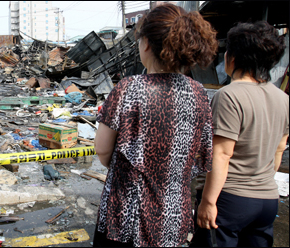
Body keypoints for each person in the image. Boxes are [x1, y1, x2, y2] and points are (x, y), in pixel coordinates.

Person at [93, 3, 218, 247]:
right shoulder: (199, 93)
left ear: (147, 43)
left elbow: (103, 150)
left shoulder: (128, 88)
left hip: (126, 217)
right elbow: (203, 155)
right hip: (174, 217)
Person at [194, 21, 288, 247]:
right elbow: (279, 148)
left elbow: (222, 155)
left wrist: (208, 201)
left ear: (232, 57)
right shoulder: (283, 99)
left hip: (230, 201)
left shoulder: (229, 95)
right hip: (267, 200)